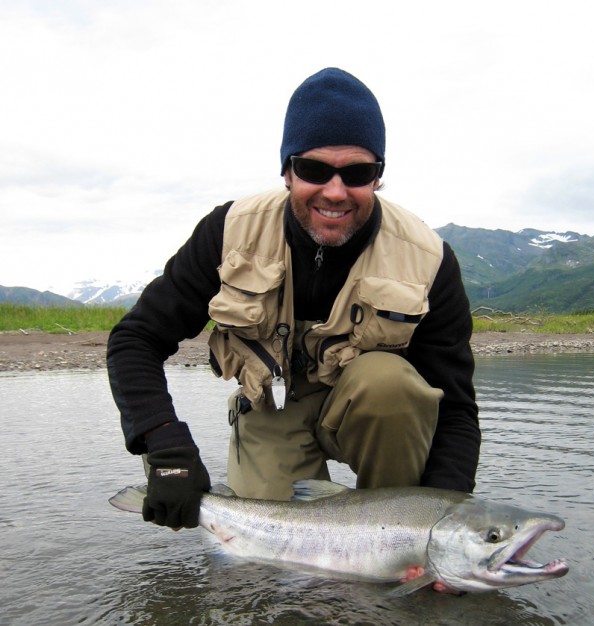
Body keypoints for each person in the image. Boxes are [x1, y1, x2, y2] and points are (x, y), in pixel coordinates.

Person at [107, 67, 480, 531]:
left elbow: (458, 410)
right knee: (271, 558)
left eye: (358, 173)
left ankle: (392, 540)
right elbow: (134, 340)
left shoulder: (428, 260)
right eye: (314, 170)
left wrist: (446, 525)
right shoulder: (229, 232)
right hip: (273, 412)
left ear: (378, 177)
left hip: (371, 413)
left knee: (391, 386)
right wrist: (165, 446)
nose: (335, 191)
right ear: (287, 170)